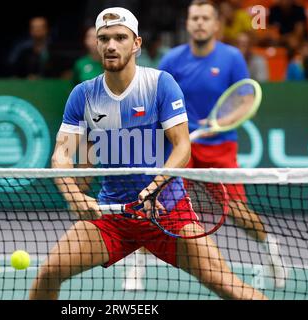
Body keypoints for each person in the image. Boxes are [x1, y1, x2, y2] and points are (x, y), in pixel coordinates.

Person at [29, 6, 267, 300]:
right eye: (104, 38)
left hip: (168, 213)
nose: (111, 45)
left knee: (229, 287)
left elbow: (182, 146)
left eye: (120, 37)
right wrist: (75, 197)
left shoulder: (159, 84)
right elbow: (61, 155)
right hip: (113, 214)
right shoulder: (84, 94)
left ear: (136, 43)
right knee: (49, 272)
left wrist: (155, 187)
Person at [123, 0, 288, 291]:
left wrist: (220, 124)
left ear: (215, 25)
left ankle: (271, 250)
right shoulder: (173, 59)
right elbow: (157, 99)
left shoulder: (232, 58)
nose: (199, 23)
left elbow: (245, 99)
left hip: (219, 146)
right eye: (194, 18)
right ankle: (137, 266)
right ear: (188, 24)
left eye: (205, 18)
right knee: (153, 200)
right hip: (179, 144)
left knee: (237, 210)